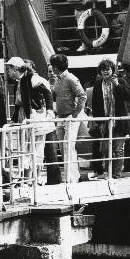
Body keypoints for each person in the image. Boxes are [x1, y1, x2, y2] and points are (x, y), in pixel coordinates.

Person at [5, 57, 55, 184]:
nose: (8, 72)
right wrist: (14, 119)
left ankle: (34, 178)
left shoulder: (32, 77)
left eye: (9, 69)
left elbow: (47, 92)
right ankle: (29, 178)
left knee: (37, 147)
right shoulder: (20, 81)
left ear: (15, 68)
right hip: (29, 118)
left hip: (36, 117)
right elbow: (19, 104)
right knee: (28, 147)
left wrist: (49, 110)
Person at [49, 54, 87, 182]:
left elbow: (82, 95)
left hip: (70, 117)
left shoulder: (71, 78)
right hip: (60, 118)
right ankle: (73, 176)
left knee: (68, 147)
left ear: (56, 67)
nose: (51, 68)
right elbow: (55, 96)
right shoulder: (58, 79)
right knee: (63, 147)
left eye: (52, 66)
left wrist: (75, 114)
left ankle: (71, 179)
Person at [91, 59, 130, 178]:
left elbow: (128, 96)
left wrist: (117, 84)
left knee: (118, 149)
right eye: (103, 69)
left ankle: (116, 175)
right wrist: (99, 122)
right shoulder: (98, 84)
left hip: (119, 122)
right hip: (105, 123)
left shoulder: (121, 81)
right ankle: (109, 172)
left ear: (112, 70)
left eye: (107, 69)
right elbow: (95, 104)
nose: (105, 72)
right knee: (105, 150)